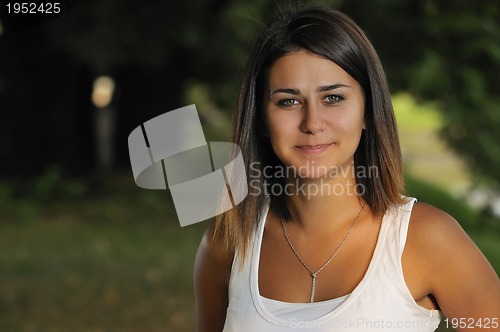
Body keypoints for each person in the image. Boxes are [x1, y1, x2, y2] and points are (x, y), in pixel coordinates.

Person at [194, 4, 500, 332]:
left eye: (333, 98)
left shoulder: (426, 239)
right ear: (262, 120)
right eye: (288, 101)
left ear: (368, 111)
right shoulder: (230, 237)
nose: (312, 123)